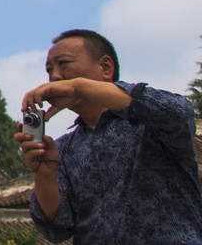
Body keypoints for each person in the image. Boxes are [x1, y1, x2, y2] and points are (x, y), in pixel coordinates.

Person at [15, 29, 202, 243]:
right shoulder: (63, 149)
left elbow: (178, 113)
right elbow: (57, 229)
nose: (55, 77)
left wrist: (79, 87)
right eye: (49, 70)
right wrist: (44, 176)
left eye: (64, 63)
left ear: (106, 67)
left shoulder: (149, 125)